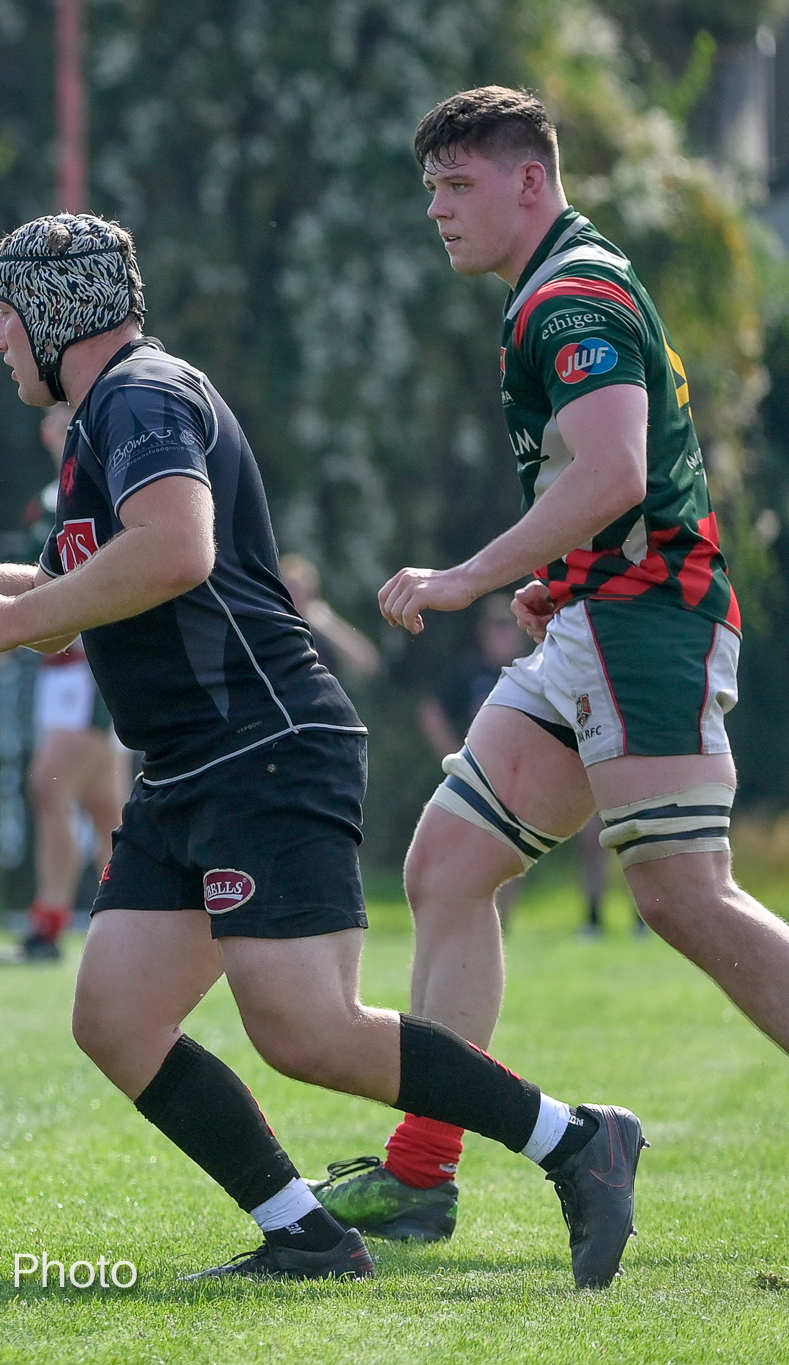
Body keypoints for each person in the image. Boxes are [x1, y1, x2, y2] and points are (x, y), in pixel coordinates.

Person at [0, 212, 643, 1286]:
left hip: (264, 745)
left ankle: (575, 1141)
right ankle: (303, 1232)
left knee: (305, 1029)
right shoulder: (105, 418)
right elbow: (70, 600)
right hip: (189, 767)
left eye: (3, 317)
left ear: (56, 315)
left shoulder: (140, 397)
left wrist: (9, 624)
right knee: (114, 1018)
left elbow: (174, 552)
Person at [319, 85, 769, 1249]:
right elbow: (608, 485)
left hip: (641, 626)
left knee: (680, 897)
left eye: (456, 185)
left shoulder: (568, 293)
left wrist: (469, 575)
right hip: (596, 616)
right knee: (446, 866)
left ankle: (443, 1169)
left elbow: (615, 469)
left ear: (530, 179)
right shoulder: (554, 285)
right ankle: (422, 1175)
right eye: (428, 189)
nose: (436, 210)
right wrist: (557, 574)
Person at [0, 404, 129, 964]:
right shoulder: (47, 505)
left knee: (50, 787)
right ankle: (138, 924)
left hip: (95, 671)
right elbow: (28, 604)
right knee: (109, 812)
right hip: (61, 678)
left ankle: (51, 928)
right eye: (58, 422)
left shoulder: (111, 496)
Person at [416, 594, 612, 935]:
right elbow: (431, 711)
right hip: (488, 773)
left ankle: (595, 918)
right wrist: (453, 755)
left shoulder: (535, 669)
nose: (501, 635)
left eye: (507, 627)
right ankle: (486, 927)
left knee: (589, 837)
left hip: (538, 772)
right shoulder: (471, 673)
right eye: (495, 628)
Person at [279, 554, 382, 685]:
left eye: (298, 589)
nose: (293, 596)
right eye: (289, 588)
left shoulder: (320, 628)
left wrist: (326, 624)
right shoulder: (276, 624)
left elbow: (367, 664)